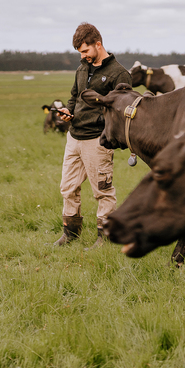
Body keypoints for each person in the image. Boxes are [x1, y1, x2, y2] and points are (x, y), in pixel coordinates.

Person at [53, 22, 132, 249]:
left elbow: (122, 110)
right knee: (67, 188)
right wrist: (68, 111)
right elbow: (74, 97)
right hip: (73, 137)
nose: (83, 56)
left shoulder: (120, 74)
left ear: (98, 44)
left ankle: (105, 238)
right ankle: (70, 233)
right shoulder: (81, 69)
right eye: (80, 52)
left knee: (103, 191)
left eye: (86, 51)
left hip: (97, 140)